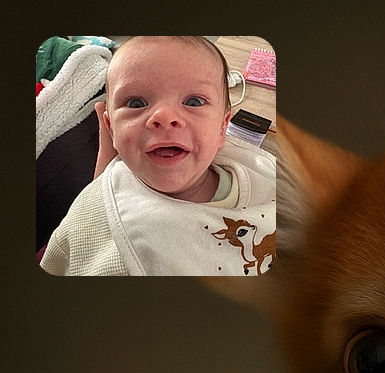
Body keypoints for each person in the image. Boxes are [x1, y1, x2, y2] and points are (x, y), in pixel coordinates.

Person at [40, 36, 275, 276]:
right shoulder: (99, 212)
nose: (163, 116)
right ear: (111, 129)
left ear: (223, 127)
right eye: (136, 102)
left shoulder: (260, 175)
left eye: (193, 101)